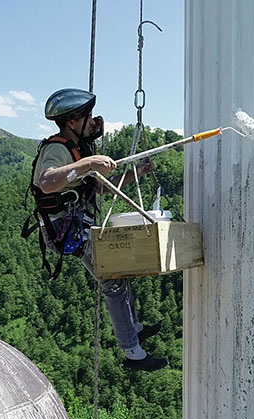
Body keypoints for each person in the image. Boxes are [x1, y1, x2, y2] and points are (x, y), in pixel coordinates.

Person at [22, 88, 167, 372]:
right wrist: (88, 164)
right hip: (64, 230)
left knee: (118, 272)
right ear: (73, 120)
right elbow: (47, 181)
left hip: (77, 226)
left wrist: (137, 172)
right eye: (88, 117)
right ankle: (133, 353)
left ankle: (134, 329)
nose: (94, 122)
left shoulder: (77, 149)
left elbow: (99, 188)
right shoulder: (57, 149)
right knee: (112, 280)